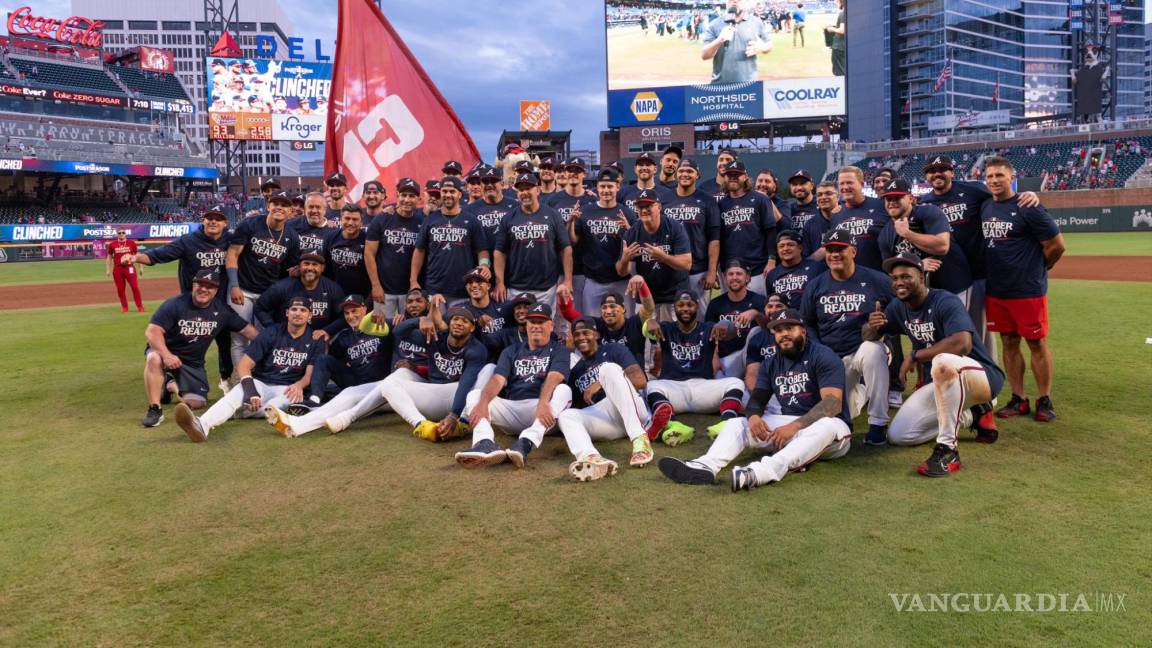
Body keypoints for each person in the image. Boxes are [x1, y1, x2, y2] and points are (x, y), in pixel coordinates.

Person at [657, 308, 851, 491]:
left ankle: (759, 472)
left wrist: (794, 427)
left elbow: (832, 404)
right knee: (736, 423)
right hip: (788, 425)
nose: (783, 334)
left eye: (789, 328)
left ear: (803, 331)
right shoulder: (771, 362)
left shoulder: (823, 356)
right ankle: (706, 465)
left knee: (826, 425)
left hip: (830, 433)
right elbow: (757, 400)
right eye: (778, 330)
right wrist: (753, 418)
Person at [864, 253, 1003, 476]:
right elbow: (870, 335)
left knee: (943, 360)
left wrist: (915, 356)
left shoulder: (944, 300)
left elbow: (962, 343)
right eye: (895, 278)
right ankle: (974, 413)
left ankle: (948, 450)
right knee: (900, 435)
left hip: (981, 377)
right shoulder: (898, 307)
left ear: (921, 277)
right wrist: (872, 326)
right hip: (942, 383)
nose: (899, 282)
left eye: (906, 276)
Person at [980, 156, 1065, 423]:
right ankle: (1018, 398)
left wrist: (1041, 268)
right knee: (1009, 342)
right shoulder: (984, 206)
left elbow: (1057, 245)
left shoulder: (1029, 206)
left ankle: (1044, 399)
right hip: (997, 289)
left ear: (1011, 177)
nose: (994, 180)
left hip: (1027, 290)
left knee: (1036, 343)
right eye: (990, 176)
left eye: (999, 176)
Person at [173, 297, 321, 443]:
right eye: (294, 309)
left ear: (309, 315)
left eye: (303, 310)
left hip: (288, 388)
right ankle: (202, 424)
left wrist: (300, 385)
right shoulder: (271, 332)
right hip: (261, 383)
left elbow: (310, 374)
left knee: (277, 407)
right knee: (237, 393)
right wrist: (251, 391)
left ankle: (241, 411)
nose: (298, 313)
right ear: (287, 313)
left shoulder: (315, 339)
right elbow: (244, 365)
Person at [799, 229, 894, 445]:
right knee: (837, 416)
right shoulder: (815, 285)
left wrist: (885, 324)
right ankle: (858, 394)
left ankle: (878, 423)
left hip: (863, 349)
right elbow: (807, 323)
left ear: (853, 250)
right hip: (832, 357)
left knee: (873, 350)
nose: (834, 255)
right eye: (830, 250)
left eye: (840, 249)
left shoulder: (876, 280)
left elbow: (901, 307)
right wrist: (821, 352)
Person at [455, 303, 572, 468]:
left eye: (541, 322)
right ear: (527, 324)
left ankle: (526, 442)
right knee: (475, 395)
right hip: (512, 410)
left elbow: (556, 376)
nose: (536, 326)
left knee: (564, 390)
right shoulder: (511, 350)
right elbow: (498, 379)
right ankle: (484, 443)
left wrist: (543, 402)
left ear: (551, 325)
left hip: (543, 415)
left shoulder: (559, 350)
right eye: (532, 322)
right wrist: (482, 404)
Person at [141, 269, 257, 427]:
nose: (204, 289)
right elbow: (152, 331)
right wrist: (166, 355)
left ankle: (169, 384)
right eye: (200, 284)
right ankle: (155, 409)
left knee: (197, 403)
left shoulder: (221, 310)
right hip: (166, 354)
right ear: (193, 285)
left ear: (216, 290)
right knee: (154, 358)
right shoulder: (175, 304)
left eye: (209, 286)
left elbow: (247, 330)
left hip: (193, 362)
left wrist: (273, 342)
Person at [263, 295, 392, 437]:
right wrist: (323, 341)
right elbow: (327, 362)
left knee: (341, 398)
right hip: (355, 384)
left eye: (354, 311)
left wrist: (384, 315)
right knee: (324, 360)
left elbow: (404, 329)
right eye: (346, 313)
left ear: (365, 309)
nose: (350, 316)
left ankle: (302, 419)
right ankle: (314, 401)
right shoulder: (344, 337)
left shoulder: (381, 326)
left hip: (381, 386)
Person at [135, 207, 234, 390]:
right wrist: (136, 257)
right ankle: (166, 372)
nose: (213, 222)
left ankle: (225, 378)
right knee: (183, 339)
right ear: (203, 221)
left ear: (225, 223)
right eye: (209, 218)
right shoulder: (189, 241)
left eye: (218, 219)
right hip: (191, 304)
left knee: (225, 341)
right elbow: (160, 254)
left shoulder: (230, 240)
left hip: (219, 303)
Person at [557, 318, 655, 481]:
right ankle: (591, 457)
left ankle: (640, 440)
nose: (581, 337)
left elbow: (640, 381)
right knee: (566, 416)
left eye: (585, 332)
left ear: (596, 334)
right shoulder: (576, 371)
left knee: (608, 369)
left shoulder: (614, 350)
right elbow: (577, 408)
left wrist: (600, 383)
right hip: (607, 421)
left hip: (632, 410)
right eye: (576, 334)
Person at [643, 291, 743, 445]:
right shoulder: (665, 328)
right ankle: (674, 425)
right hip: (673, 390)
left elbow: (731, 331)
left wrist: (725, 324)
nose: (685, 308)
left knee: (736, 383)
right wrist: (649, 322)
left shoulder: (709, 327)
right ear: (674, 308)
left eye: (690, 305)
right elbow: (647, 329)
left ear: (697, 307)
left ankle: (726, 423)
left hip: (703, 389)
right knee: (651, 385)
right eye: (680, 305)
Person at [376, 306, 488, 441]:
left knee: (490, 369)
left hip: (457, 395)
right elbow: (398, 332)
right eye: (455, 319)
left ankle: (463, 423)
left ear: (472, 328)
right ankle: (423, 425)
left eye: (465, 321)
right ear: (449, 323)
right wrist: (420, 320)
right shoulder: (435, 337)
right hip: (434, 395)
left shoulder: (477, 348)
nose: (458, 323)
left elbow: (466, 383)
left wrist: (454, 415)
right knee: (388, 384)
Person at [225, 191, 301, 369]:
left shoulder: (292, 236)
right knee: (239, 338)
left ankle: (260, 377)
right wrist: (234, 285)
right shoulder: (250, 224)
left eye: (284, 205)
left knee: (264, 337)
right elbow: (232, 254)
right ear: (268, 206)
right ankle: (240, 382)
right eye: (275, 203)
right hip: (242, 289)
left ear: (290, 211)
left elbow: (289, 269)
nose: (279, 208)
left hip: (268, 294)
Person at [877, 178, 973, 301]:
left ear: (911, 198)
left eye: (897, 198)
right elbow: (891, 272)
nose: (892, 202)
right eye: (888, 199)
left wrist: (906, 233)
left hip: (954, 287)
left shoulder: (929, 212)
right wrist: (919, 265)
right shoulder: (885, 234)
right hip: (921, 296)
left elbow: (942, 246)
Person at [493, 173, 574, 310]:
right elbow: (499, 252)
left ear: (538, 190)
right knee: (518, 326)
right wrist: (499, 282)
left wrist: (568, 280)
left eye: (528, 188)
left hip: (546, 287)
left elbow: (565, 249)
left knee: (544, 327)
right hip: (516, 287)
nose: (524, 193)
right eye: (521, 190)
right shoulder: (508, 217)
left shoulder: (552, 214)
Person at [617, 188, 693, 322]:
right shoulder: (632, 233)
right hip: (646, 297)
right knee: (647, 340)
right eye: (640, 206)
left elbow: (686, 264)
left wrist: (664, 257)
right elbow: (622, 272)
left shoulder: (674, 227)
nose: (644, 210)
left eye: (648, 206)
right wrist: (624, 260)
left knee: (670, 338)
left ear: (659, 207)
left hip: (673, 295)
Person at [411, 176, 490, 305]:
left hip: (463, 289)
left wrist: (484, 265)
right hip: (434, 288)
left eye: (452, 191)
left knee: (459, 325)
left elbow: (482, 250)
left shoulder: (471, 220)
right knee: (435, 324)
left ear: (460, 194)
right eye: (444, 191)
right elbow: (419, 251)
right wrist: (413, 281)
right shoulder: (430, 220)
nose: (448, 195)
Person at [569, 167, 637, 311]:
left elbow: (636, 244)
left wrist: (629, 229)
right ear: (597, 188)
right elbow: (573, 241)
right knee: (592, 323)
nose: (606, 190)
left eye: (610, 186)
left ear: (617, 187)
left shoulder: (627, 212)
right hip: (594, 280)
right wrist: (571, 222)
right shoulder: (586, 211)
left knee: (623, 321)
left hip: (621, 280)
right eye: (602, 186)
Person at [662, 158, 721, 306]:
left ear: (697, 175)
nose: (685, 174)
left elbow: (714, 239)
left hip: (698, 270)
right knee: (670, 319)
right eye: (681, 171)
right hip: (670, 270)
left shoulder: (707, 200)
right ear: (676, 174)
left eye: (690, 171)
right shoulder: (664, 199)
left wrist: (712, 271)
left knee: (699, 316)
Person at [365, 178, 424, 320]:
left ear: (418, 199)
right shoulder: (382, 218)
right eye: (403, 195)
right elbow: (369, 253)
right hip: (384, 290)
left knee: (407, 331)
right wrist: (375, 285)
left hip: (411, 292)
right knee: (383, 331)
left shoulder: (423, 221)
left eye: (411, 196)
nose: (407, 200)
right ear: (397, 196)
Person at [718, 160, 778, 295]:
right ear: (724, 178)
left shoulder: (760, 199)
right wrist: (719, 267)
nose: (733, 177)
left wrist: (772, 260)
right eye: (729, 175)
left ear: (745, 177)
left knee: (760, 309)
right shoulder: (721, 204)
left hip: (758, 267)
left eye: (737, 174)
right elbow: (718, 238)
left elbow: (770, 231)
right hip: (730, 268)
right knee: (732, 311)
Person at [705, 259, 767, 378]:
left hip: (755, 356)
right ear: (725, 278)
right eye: (730, 274)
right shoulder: (715, 304)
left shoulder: (759, 300)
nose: (734, 277)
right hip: (728, 356)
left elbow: (770, 329)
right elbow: (709, 335)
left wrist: (756, 314)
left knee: (755, 331)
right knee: (719, 379)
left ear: (747, 278)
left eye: (739, 274)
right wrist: (715, 358)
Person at [253, 253, 345, 332]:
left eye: (315, 264)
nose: (310, 268)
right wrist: (274, 329)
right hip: (286, 339)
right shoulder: (282, 287)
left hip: (318, 340)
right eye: (306, 263)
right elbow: (260, 307)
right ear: (299, 266)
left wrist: (327, 331)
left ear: (322, 268)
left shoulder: (333, 289)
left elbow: (342, 316)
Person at [701, 0, 773, 85]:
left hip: (749, 85)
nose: (734, 1)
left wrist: (762, 47)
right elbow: (704, 55)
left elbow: (769, 44)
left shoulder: (756, 22)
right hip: (720, 85)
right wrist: (719, 40)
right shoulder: (715, 24)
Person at [463, 165, 519, 256]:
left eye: (493, 181)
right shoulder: (469, 210)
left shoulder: (515, 206)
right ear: (481, 185)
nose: (489, 185)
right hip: (481, 262)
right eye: (486, 182)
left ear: (502, 184)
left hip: (511, 261)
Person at [765, 229, 825, 307]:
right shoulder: (772, 275)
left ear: (800, 248)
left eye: (790, 245)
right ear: (777, 250)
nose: (785, 249)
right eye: (781, 246)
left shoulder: (817, 268)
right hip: (784, 317)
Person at [106, 228, 144, 313]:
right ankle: (124, 307)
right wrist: (108, 269)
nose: (121, 234)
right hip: (118, 269)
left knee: (135, 287)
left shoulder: (131, 243)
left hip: (129, 268)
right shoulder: (113, 244)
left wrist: (141, 267)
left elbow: (137, 255)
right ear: (117, 234)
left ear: (125, 234)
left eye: (123, 232)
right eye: (119, 233)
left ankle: (140, 306)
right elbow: (109, 257)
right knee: (120, 290)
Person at [801, 181, 842, 260]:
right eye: (819, 195)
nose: (823, 197)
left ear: (838, 196)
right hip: (819, 271)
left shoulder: (848, 218)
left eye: (828, 193)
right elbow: (807, 258)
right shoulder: (810, 224)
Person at [826, 0, 846, 76]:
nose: (835, 3)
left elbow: (842, 30)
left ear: (841, 2)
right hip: (844, 47)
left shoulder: (843, 14)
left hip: (839, 47)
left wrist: (831, 28)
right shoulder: (851, 13)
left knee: (839, 72)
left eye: (837, 2)